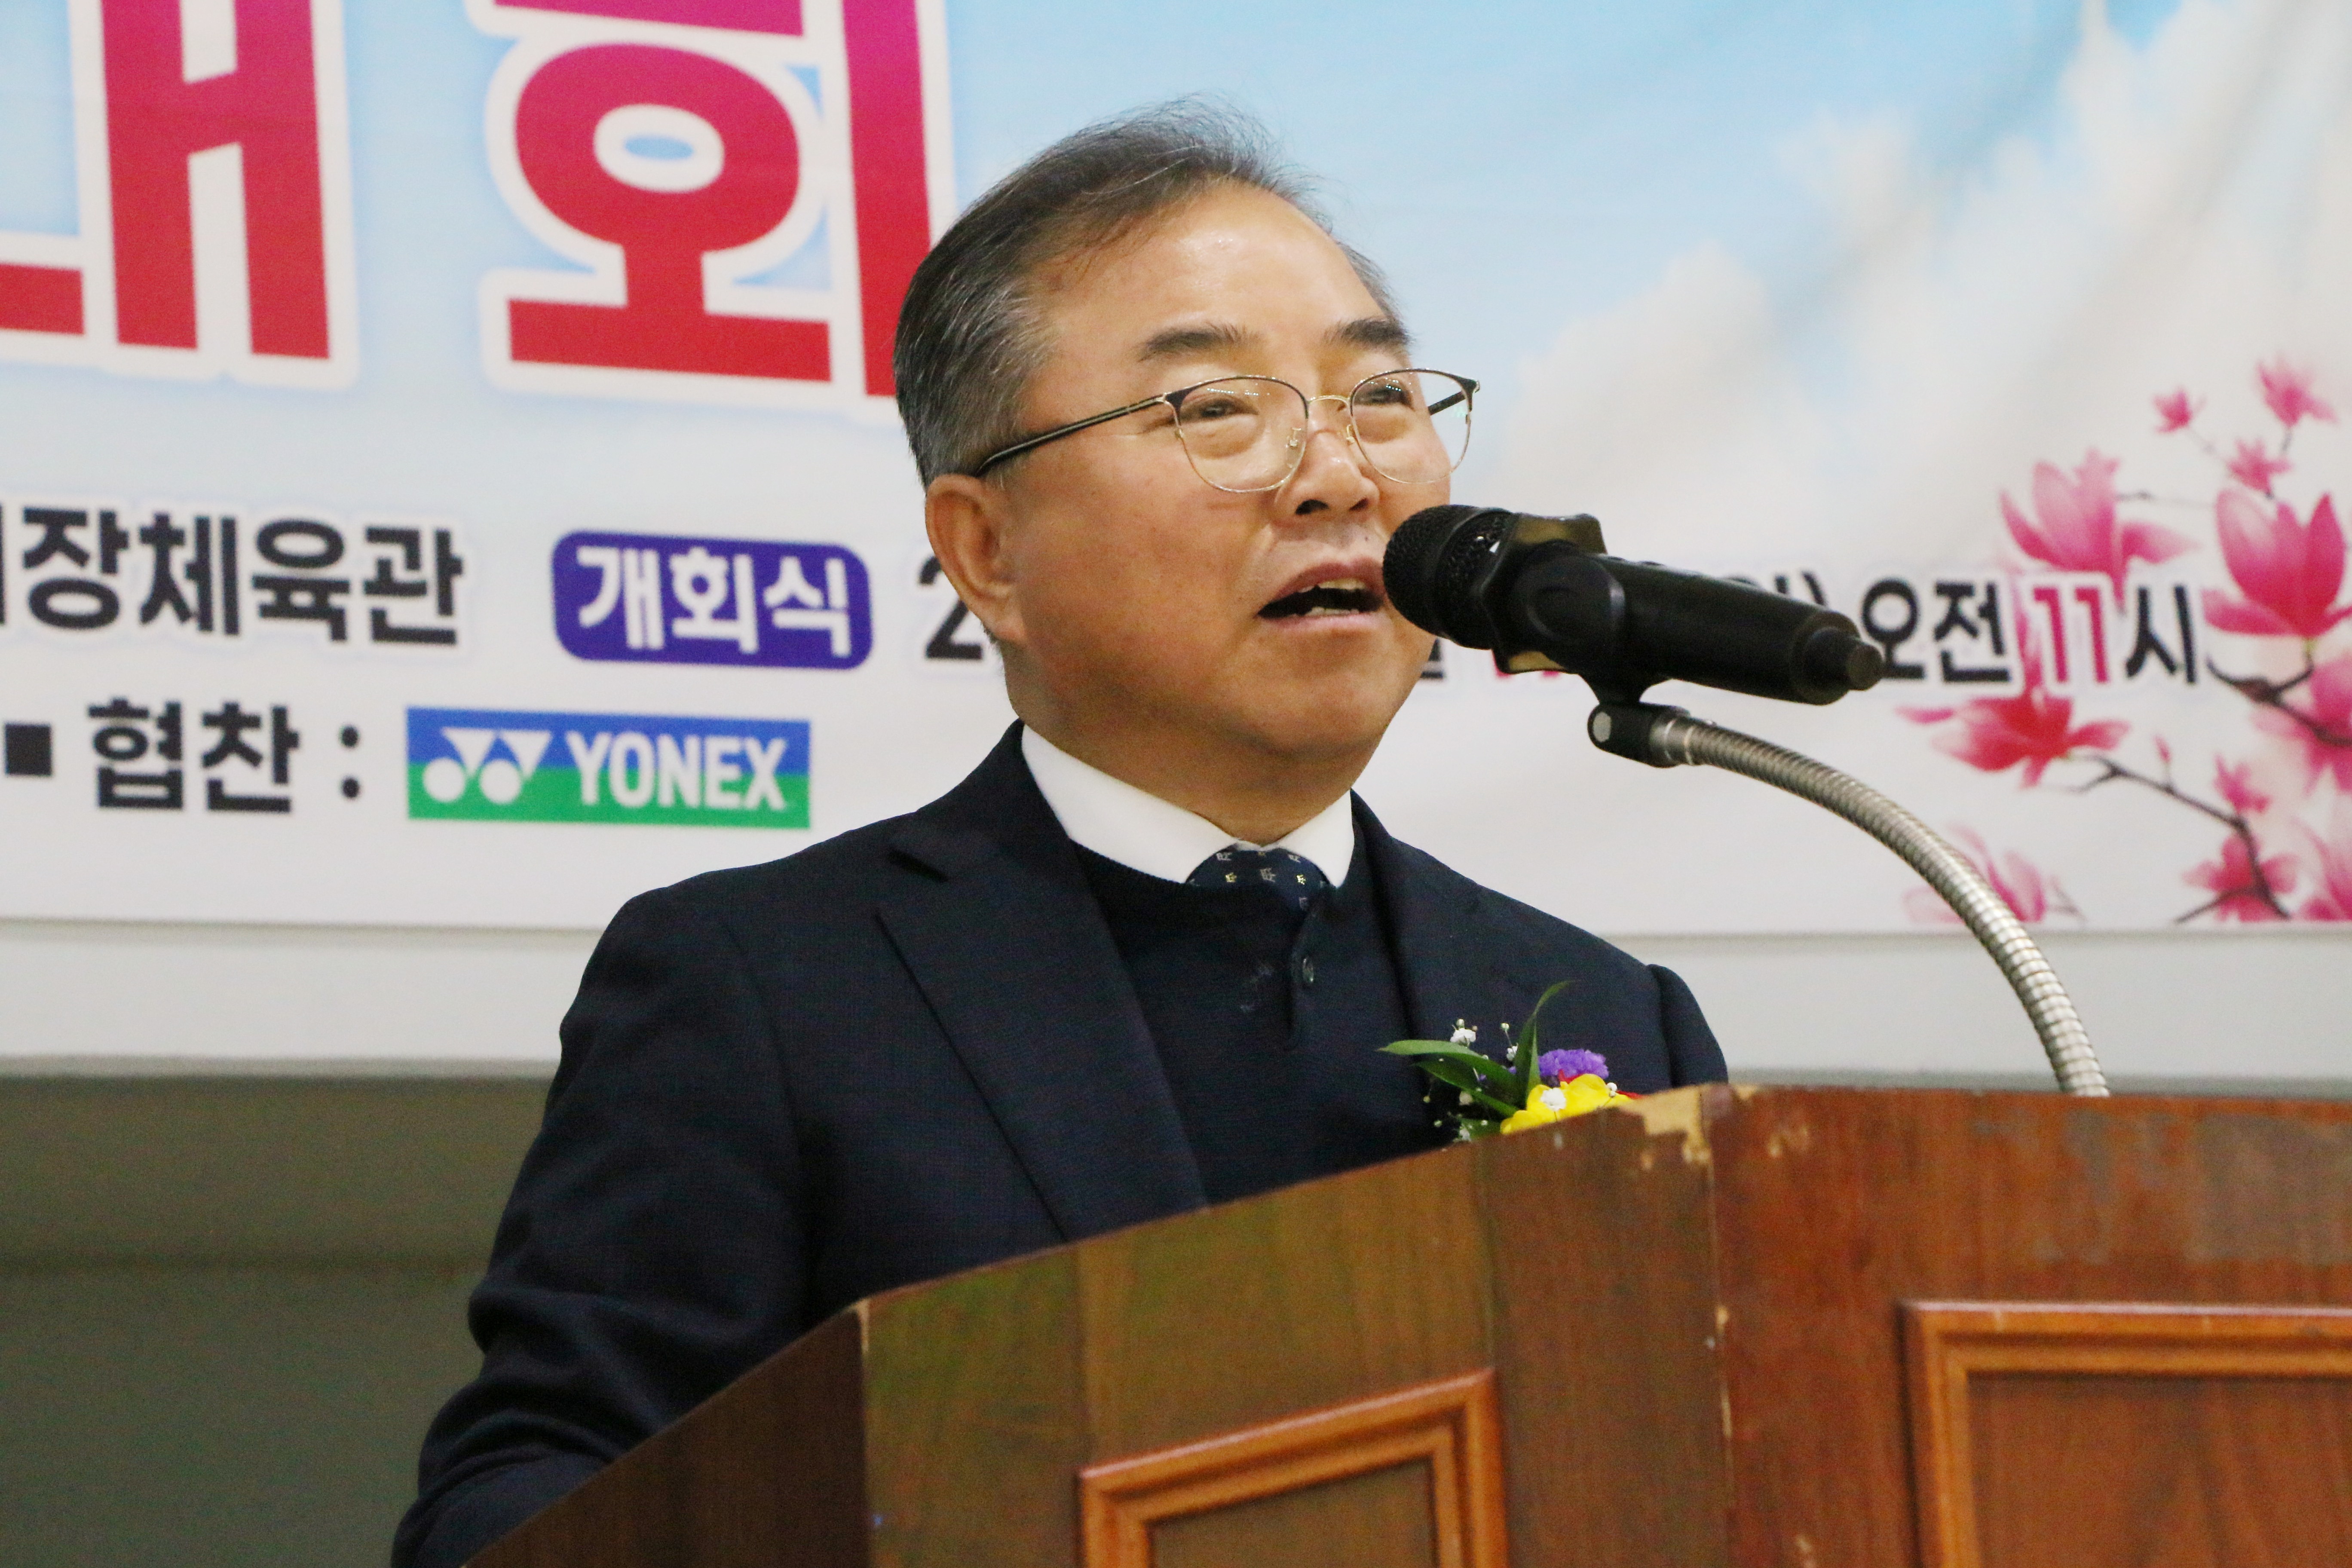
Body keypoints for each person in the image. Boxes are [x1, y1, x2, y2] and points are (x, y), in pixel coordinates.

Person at [393, 101, 1724, 1568]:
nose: (1340, 476)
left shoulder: (1615, 1021)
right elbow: (528, 1504)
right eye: (1215, 409)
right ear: (988, 550)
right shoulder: (767, 986)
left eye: (1382, 397)